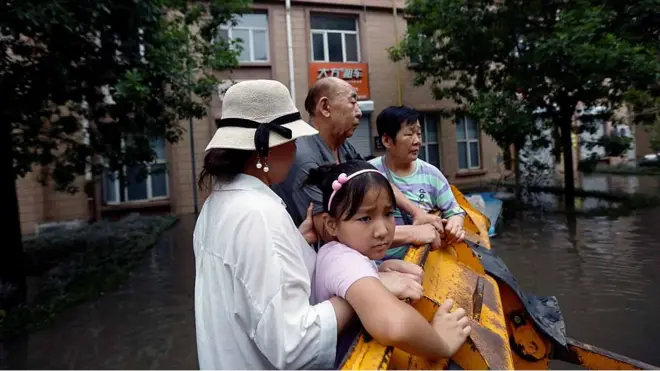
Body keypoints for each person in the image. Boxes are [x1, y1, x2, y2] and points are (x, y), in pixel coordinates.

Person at [192, 79, 356, 369]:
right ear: (264, 151)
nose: (295, 148)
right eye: (290, 140)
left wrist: (295, 240)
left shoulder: (215, 206)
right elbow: (295, 346)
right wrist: (358, 294)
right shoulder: (260, 216)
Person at [307, 160, 471, 366]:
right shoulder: (343, 260)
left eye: (388, 214)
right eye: (365, 218)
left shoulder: (338, 252)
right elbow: (395, 325)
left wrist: (378, 272)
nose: (383, 230)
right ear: (332, 225)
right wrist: (441, 342)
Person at [271, 77, 446, 255]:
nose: (359, 112)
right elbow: (329, 233)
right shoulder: (306, 159)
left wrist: (417, 213)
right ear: (325, 108)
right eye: (353, 102)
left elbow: (376, 181)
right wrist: (411, 233)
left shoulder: (342, 146)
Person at [369, 106, 466, 261]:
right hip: (377, 264)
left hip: (422, 263)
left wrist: (455, 226)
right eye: (409, 134)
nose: (417, 141)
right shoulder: (369, 173)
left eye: (419, 134)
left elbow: (455, 211)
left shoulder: (431, 174)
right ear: (387, 140)